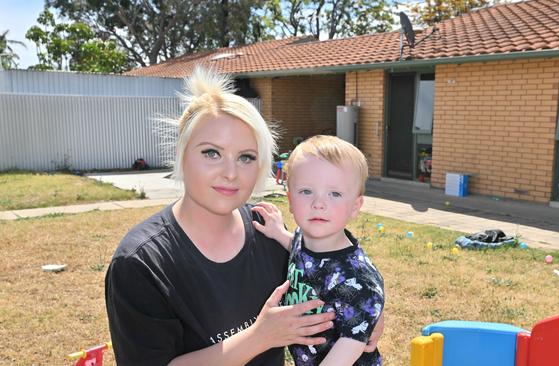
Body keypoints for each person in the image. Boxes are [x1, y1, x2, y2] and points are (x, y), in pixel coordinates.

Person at [105, 68, 347, 365]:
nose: (231, 173)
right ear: (182, 153)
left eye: (246, 157)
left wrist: (366, 316)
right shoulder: (141, 263)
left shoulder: (267, 231)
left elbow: (331, 288)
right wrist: (260, 336)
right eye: (211, 153)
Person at [254, 135, 384, 366]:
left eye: (334, 193)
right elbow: (296, 246)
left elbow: (348, 349)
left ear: (355, 206)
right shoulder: (302, 238)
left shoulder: (358, 280)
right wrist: (277, 232)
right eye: (306, 191)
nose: (318, 203)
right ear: (291, 200)